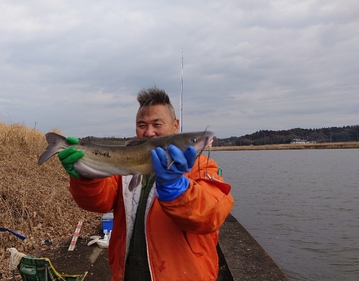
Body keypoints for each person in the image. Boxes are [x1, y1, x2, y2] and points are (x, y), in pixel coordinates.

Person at [58, 86, 234, 281]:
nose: (149, 132)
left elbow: (212, 215)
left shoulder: (202, 167)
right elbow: (98, 202)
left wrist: (179, 192)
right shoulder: (124, 168)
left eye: (157, 124)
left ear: (176, 126)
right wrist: (86, 176)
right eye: (142, 125)